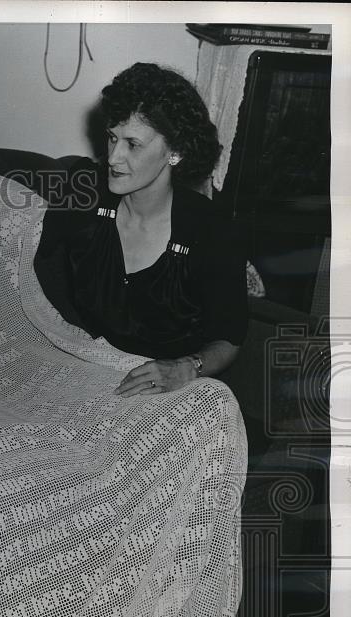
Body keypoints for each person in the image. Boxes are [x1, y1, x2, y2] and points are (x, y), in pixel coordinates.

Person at [33, 62, 249, 397]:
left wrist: (188, 366)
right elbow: (39, 278)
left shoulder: (213, 231)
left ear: (175, 152)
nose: (114, 158)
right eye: (112, 138)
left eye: (133, 144)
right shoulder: (82, 196)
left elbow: (230, 338)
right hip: (84, 376)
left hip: (167, 389)